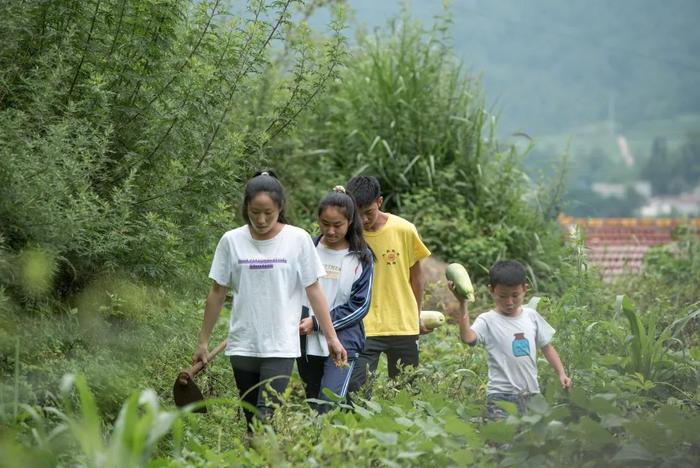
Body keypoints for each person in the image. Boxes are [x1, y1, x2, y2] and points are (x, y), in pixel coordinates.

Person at [192, 171, 347, 433]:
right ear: (246, 208)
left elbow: (314, 290)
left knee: (264, 420)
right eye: (254, 212)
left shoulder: (297, 239)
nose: (261, 220)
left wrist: (331, 337)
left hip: (280, 345)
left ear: (280, 208)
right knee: (252, 419)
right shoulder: (231, 240)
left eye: (268, 213)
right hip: (243, 346)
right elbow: (217, 292)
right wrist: (203, 342)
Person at [448, 259, 571, 419]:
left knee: (530, 442)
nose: (509, 302)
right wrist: (462, 303)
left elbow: (547, 347)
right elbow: (468, 338)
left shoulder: (531, 317)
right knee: (505, 442)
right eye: (503, 296)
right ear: (491, 290)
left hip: (532, 395)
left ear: (525, 289)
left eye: (515, 295)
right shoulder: (487, 320)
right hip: (501, 397)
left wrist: (561, 373)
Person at [345, 176, 431, 396]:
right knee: (357, 391)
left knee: (407, 392)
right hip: (364, 326)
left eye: (369, 212)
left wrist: (416, 315)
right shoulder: (348, 234)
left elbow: (417, 278)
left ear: (380, 202)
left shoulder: (404, 230)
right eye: (357, 213)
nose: (363, 220)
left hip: (402, 323)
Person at [297, 186, 374, 412]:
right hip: (306, 341)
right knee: (313, 401)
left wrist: (319, 323)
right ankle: (320, 445)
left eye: (337, 225)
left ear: (350, 222)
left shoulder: (362, 256)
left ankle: (329, 443)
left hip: (345, 340)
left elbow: (360, 306)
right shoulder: (308, 248)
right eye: (325, 223)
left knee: (328, 402)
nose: (330, 231)